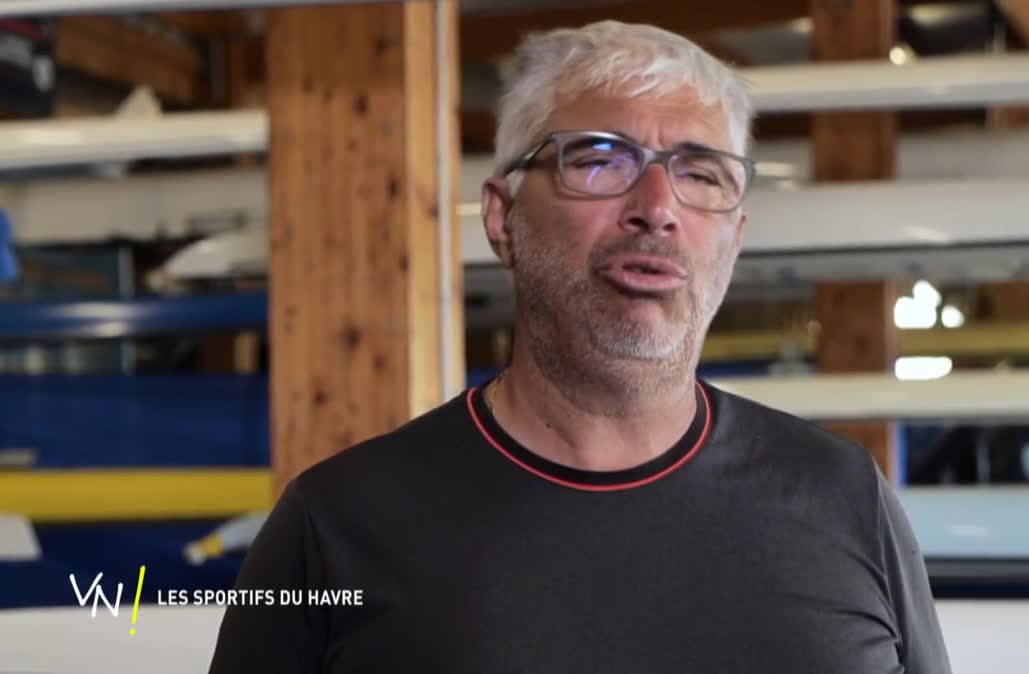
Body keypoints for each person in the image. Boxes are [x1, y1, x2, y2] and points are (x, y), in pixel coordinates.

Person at [208, 20, 952, 674]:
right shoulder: (335, 525)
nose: (657, 209)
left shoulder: (843, 497)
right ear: (502, 219)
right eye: (600, 159)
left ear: (735, 239)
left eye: (700, 174)